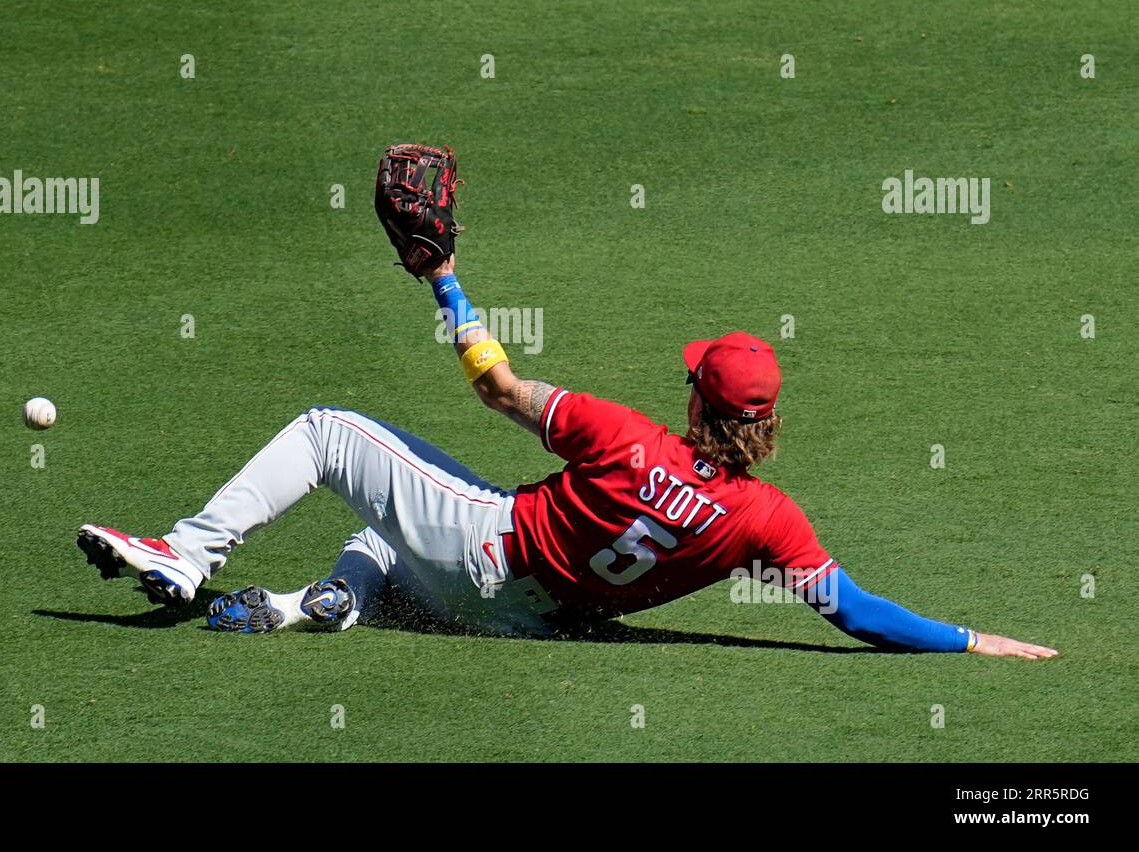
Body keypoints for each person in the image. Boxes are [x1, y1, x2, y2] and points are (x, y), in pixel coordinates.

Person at [76, 254, 1058, 659]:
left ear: (696, 396)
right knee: (378, 544)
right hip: (526, 619)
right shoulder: (769, 520)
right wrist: (970, 639)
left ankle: (189, 552)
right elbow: (856, 613)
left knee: (331, 433)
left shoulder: (622, 432)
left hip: (487, 544)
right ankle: (310, 605)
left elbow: (497, 384)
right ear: (761, 422)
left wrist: (448, 285)